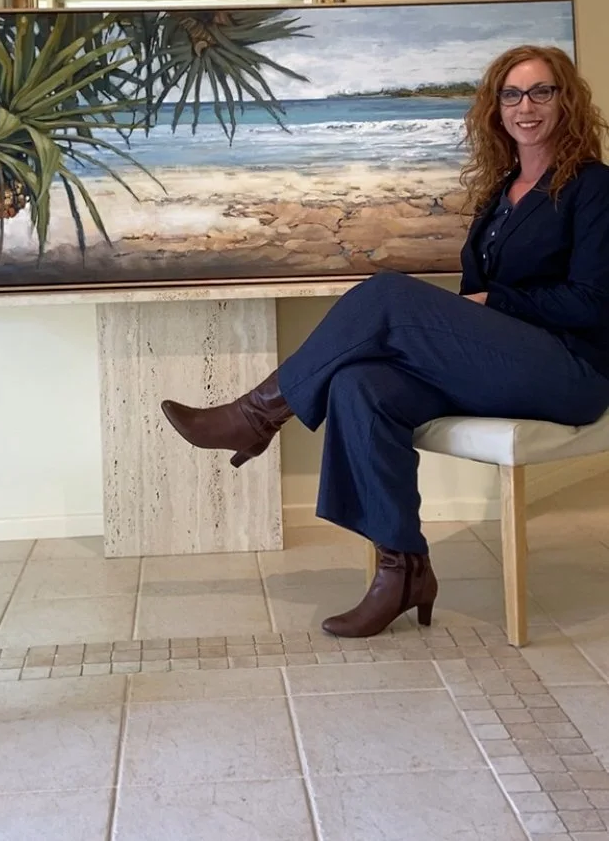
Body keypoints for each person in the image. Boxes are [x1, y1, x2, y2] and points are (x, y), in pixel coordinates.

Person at [161, 46, 609, 637]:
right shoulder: (501, 193)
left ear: (565, 100)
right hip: (503, 364)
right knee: (357, 383)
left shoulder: (593, 186)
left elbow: (594, 301)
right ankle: (402, 571)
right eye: (511, 94)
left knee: (387, 294)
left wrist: (497, 304)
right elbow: (478, 295)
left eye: (541, 92)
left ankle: (256, 415)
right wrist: (479, 315)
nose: (525, 106)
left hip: (569, 372)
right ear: (495, 108)